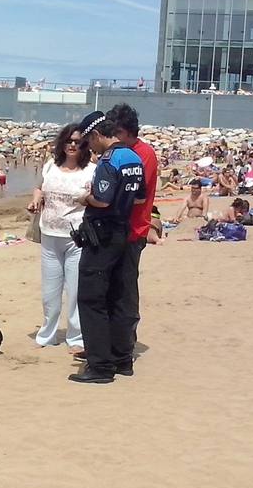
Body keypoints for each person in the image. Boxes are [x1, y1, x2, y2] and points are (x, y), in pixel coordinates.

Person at [69, 110, 145, 385]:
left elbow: (102, 200)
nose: (90, 147)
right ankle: (122, 358)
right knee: (118, 296)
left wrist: (85, 198)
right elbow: (140, 198)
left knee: (92, 299)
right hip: (123, 231)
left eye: (90, 141)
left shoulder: (109, 161)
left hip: (102, 235)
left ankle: (100, 365)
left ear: (98, 135)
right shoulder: (134, 157)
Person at [28, 124, 92, 354]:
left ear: (85, 145)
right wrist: (36, 200)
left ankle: (76, 337)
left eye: (78, 141)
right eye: (69, 141)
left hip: (77, 238)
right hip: (49, 234)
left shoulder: (91, 171)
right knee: (50, 291)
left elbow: (98, 198)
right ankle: (47, 334)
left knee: (75, 290)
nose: (72, 145)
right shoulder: (50, 166)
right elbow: (38, 188)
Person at [107, 102, 157, 340]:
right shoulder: (118, 152)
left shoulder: (143, 153)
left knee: (125, 290)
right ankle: (108, 340)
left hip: (133, 231)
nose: (114, 137)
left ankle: (125, 342)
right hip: (115, 229)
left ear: (127, 131)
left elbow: (135, 193)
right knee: (109, 288)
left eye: (117, 132)